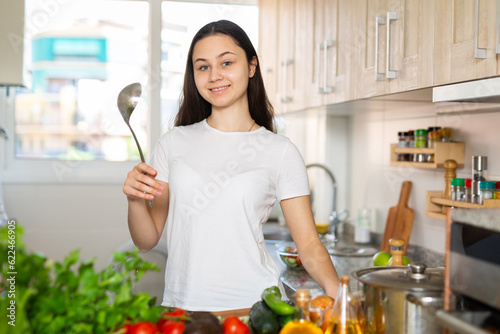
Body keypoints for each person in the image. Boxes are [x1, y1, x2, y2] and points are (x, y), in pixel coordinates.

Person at [123, 20, 340, 312]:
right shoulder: (173, 143)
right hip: (184, 309)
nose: (214, 76)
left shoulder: (280, 151)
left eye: (226, 62)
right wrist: (135, 200)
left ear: (251, 67)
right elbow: (146, 241)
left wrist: (341, 298)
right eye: (203, 67)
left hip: (255, 309)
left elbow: (310, 247)